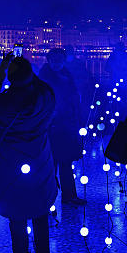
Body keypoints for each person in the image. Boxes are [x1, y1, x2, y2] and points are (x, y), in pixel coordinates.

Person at [0, 54, 57, 253]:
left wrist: (2, 67)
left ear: (10, 78)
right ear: (30, 75)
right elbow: (43, 85)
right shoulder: (45, 95)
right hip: (40, 158)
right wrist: (26, 69)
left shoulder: (1, 105)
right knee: (41, 207)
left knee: (17, 215)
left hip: (11, 164)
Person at [39, 48, 85, 206]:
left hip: (66, 127)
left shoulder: (67, 77)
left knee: (65, 163)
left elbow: (73, 101)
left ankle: (68, 196)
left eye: (59, 60)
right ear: (49, 60)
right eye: (54, 60)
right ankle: (47, 197)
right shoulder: (45, 79)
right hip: (52, 127)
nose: (57, 63)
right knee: (51, 164)